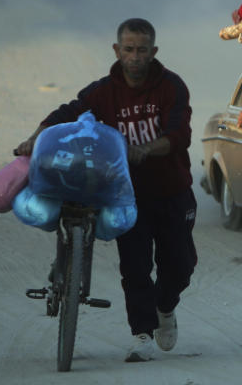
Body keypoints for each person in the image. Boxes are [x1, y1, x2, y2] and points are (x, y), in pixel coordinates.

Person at [15, 18, 197, 363]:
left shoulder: (171, 86)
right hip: (125, 193)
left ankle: (165, 307)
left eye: (142, 50)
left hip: (172, 190)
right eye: (128, 49)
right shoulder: (104, 91)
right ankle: (141, 335)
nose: (135, 57)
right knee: (135, 266)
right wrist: (34, 137)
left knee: (180, 265)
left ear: (153, 52)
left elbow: (180, 135)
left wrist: (146, 149)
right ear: (117, 51)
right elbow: (67, 113)